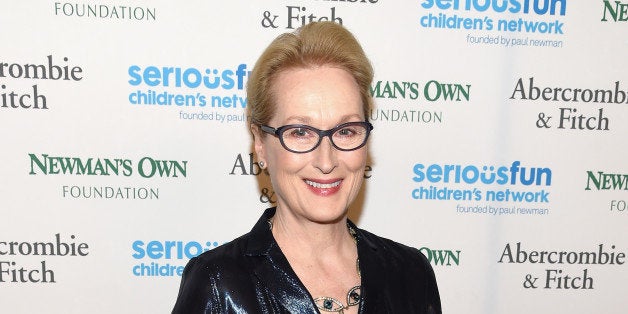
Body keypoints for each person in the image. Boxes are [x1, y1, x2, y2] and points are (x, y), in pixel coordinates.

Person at [172, 21, 441, 314]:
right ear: (260, 143)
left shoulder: (412, 273)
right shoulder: (217, 284)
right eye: (300, 132)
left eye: (346, 131)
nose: (326, 162)